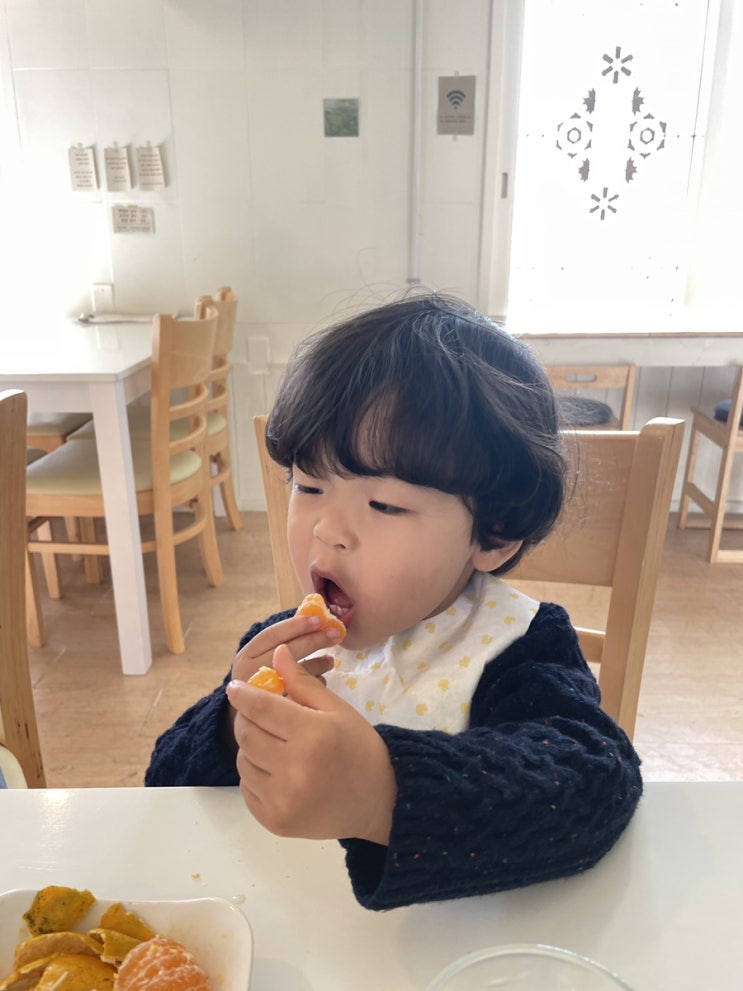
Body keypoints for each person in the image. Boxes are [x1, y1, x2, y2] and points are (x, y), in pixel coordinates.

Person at [145, 292, 642, 911]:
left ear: (494, 534)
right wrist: (230, 723)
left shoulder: (519, 647)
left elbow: (596, 784)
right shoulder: (288, 649)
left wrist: (384, 792)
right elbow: (163, 786)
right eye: (309, 485)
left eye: (384, 505)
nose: (328, 530)